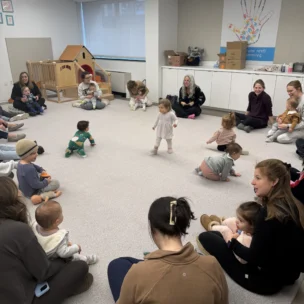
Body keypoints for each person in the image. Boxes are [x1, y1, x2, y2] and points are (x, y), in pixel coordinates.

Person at [197, 159, 304, 295]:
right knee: (224, 234)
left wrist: (232, 242)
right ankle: (224, 227)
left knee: (207, 237)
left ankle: (219, 227)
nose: (252, 182)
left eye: (258, 178)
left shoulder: (269, 215)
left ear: (274, 181)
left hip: (265, 281)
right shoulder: (294, 203)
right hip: (289, 275)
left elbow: (252, 257)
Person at [108, 196, 228, 304]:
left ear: (153, 229)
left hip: (145, 273)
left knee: (117, 265)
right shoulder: (212, 264)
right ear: (182, 227)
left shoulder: (138, 273)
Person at [0, 177, 93, 303]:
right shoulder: (18, 230)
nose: (21, 193)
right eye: (17, 191)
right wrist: (64, 257)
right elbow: (44, 272)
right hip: (25, 298)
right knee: (80, 267)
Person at [32, 200, 98, 265]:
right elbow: (64, 253)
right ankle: (86, 260)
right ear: (57, 221)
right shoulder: (58, 237)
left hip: (43, 255)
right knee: (74, 256)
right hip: (55, 258)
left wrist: (64, 244)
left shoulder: (36, 227)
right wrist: (77, 247)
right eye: (61, 214)